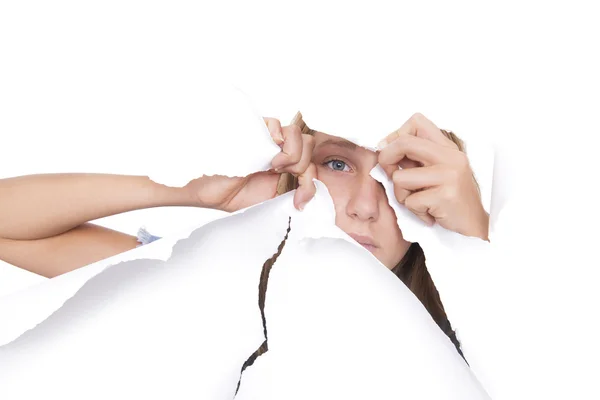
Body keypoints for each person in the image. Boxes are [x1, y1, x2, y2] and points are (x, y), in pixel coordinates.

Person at [0, 112, 488, 359]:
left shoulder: (469, 329)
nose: (364, 207)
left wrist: (474, 240)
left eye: (398, 180)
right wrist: (193, 192)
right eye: (338, 165)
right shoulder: (212, 289)